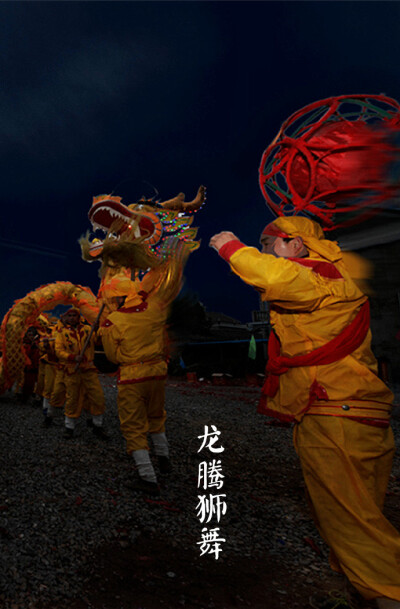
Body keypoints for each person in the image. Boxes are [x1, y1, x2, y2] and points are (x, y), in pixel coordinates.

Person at [210, 216, 400, 609]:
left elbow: (276, 278)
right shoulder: (340, 277)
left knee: (350, 518)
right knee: (359, 509)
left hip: (333, 411)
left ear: (296, 245)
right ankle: (356, 581)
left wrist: (230, 246)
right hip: (359, 409)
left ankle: (387, 592)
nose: (265, 252)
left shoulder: (316, 277)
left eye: (270, 244)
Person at [99, 240, 189, 496]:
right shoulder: (155, 310)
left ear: (117, 296)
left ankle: (147, 477)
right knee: (156, 416)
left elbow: (112, 356)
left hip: (132, 376)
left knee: (133, 425)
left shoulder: (113, 320)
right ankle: (164, 458)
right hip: (158, 373)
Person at [54, 307, 106, 439]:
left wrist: (98, 329)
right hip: (72, 371)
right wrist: (72, 357)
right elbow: (58, 351)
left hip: (89, 370)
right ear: (66, 318)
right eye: (69, 315)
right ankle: (69, 427)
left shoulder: (88, 330)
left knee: (97, 396)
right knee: (73, 398)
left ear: (79, 317)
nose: (72, 318)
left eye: (74, 315)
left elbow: (98, 342)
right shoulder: (61, 333)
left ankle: (97, 425)